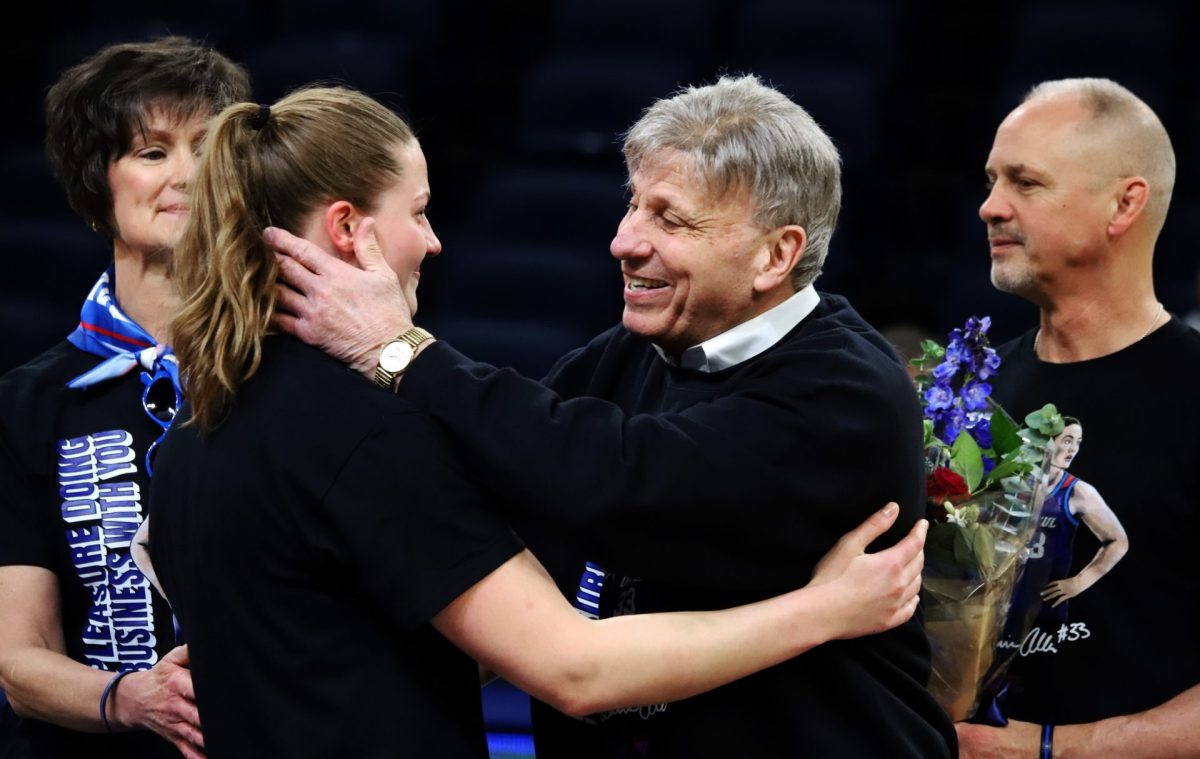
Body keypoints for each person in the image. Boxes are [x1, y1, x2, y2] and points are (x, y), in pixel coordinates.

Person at [147, 84, 927, 759]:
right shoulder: (365, 424)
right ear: (349, 228)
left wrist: (404, 354)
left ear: (774, 256)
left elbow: (615, 478)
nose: (623, 240)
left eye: (670, 218)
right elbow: (562, 639)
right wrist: (822, 610)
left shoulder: (844, 389)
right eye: (632, 203)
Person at [0, 37, 251, 759]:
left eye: (208, 148)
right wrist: (133, 700)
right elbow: (21, 659)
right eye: (152, 152)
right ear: (96, 184)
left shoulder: (294, 376)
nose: (186, 175)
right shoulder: (25, 404)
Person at [958, 77, 1200, 758]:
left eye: (1025, 183)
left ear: (1124, 204)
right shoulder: (969, 385)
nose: (988, 206)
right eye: (990, 180)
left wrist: (1051, 749)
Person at [997, 417, 1128, 653]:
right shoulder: (1011, 478)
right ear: (1044, 440)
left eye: (1077, 442)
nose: (1072, 449)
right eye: (1067, 440)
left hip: (1043, 606)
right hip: (997, 601)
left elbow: (1119, 541)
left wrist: (1079, 582)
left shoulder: (1078, 492)